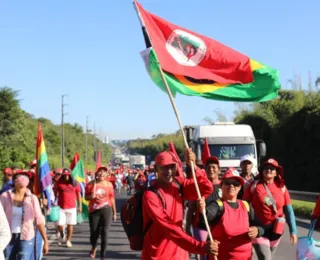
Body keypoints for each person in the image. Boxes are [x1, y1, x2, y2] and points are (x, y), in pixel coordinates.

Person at [142, 148, 218, 260]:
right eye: (164, 167)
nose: (168, 171)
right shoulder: (150, 195)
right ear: (156, 170)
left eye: (172, 167)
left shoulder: (179, 184)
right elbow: (168, 227)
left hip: (180, 252)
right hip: (157, 254)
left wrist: (194, 166)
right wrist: (199, 246)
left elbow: (207, 188)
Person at [198, 168, 264, 260]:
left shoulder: (246, 205)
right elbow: (206, 216)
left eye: (236, 183)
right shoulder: (217, 205)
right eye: (227, 183)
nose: (232, 186)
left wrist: (257, 231)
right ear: (221, 185)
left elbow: (260, 226)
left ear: (240, 187)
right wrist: (202, 209)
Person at [243, 158, 297, 260]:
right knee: (265, 258)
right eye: (266, 168)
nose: (269, 170)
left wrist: (293, 231)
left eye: (272, 169)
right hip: (258, 229)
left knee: (268, 258)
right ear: (262, 171)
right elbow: (243, 206)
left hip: (277, 230)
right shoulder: (254, 186)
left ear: (276, 173)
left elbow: (289, 210)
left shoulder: (282, 188)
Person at [0, 171, 49, 260]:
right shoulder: (4, 197)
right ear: (14, 181)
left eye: (26, 177)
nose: (23, 178)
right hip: (7, 237)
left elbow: (39, 220)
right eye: (20, 176)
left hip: (27, 236)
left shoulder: (32, 198)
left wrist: (45, 240)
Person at [187, 156, 221, 260]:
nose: (211, 169)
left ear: (219, 170)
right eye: (209, 167)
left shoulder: (226, 185)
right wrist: (188, 228)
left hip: (219, 227)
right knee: (204, 256)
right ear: (205, 170)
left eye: (214, 167)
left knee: (218, 254)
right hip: (202, 226)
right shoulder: (199, 186)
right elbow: (191, 208)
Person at [85, 166, 117, 260]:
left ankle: (102, 255)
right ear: (97, 173)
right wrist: (91, 196)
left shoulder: (109, 185)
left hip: (106, 209)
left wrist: (114, 213)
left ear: (107, 174)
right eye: (100, 171)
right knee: (94, 233)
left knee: (105, 232)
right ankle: (94, 247)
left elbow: (112, 199)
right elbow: (86, 198)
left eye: (104, 172)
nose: (102, 173)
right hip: (94, 211)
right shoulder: (91, 184)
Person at [55, 168, 82, 248]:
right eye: (64, 175)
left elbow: (78, 195)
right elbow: (55, 192)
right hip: (61, 207)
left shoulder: (75, 183)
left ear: (70, 175)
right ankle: (62, 234)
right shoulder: (59, 182)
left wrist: (80, 206)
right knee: (60, 224)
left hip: (72, 207)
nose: (66, 176)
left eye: (68, 175)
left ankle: (68, 240)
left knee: (70, 225)